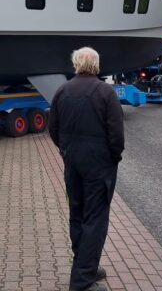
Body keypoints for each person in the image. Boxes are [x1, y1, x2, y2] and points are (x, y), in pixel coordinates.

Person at [49, 47, 125, 291]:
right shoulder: (105, 92)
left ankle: (86, 265)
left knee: (78, 214)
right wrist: (113, 157)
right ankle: (82, 282)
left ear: (76, 64)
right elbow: (117, 135)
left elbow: (54, 129)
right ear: (96, 65)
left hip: (73, 163)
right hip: (99, 166)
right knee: (95, 220)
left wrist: (66, 150)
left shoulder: (62, 91)